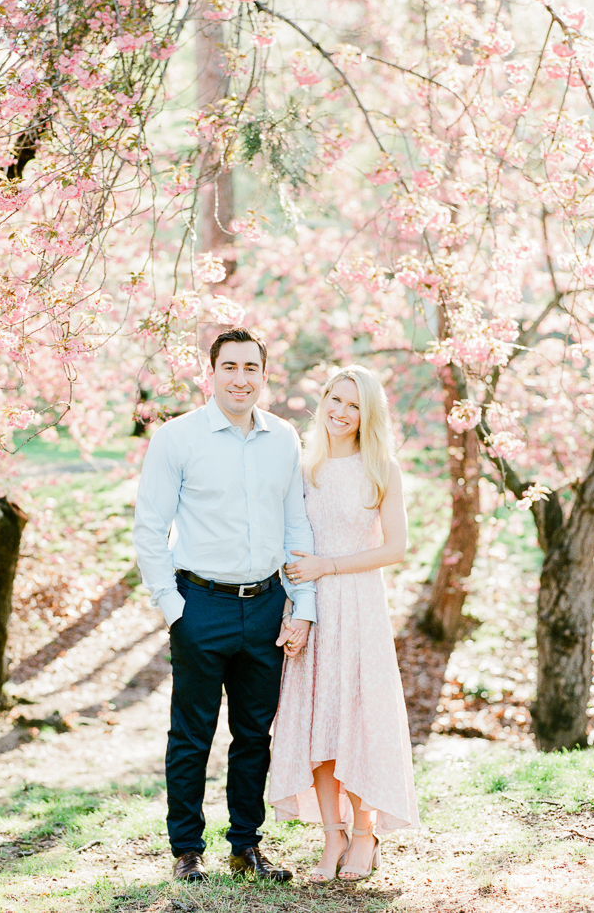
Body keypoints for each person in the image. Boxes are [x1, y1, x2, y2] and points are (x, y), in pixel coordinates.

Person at [132, 327, 316, 883]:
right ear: (210, 373)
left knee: (254, 734)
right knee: (191, 734)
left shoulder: (284, 437)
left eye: (250, 368)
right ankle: (187, 848)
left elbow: (296, 523)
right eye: (229, 367)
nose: (240, 378)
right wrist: (173, 608)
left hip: (266, 606)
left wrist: (302, 603)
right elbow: (148, 528)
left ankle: (246, 844)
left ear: (264, 375)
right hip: (200, 605)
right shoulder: (177, 438)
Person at [268, 364, 419, 883]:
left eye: (354, 405)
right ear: (323, 401)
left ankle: (363, 833)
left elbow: (395, 547)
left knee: (357, 720)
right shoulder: (302, 465)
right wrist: (295, 608)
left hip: (359, 606)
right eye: (335, 399)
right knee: (318, 720)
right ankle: (331, 834)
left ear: (367, 413)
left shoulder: (382, 468)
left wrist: (329, 565)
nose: (341, 412)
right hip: (311, 606)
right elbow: (287, 538)